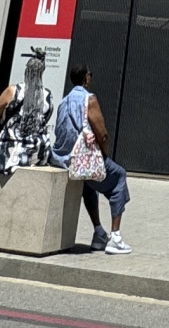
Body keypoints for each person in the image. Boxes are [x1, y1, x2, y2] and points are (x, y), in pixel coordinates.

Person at [52, 64, 131, 255]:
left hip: (64, 159)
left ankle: (98, 232)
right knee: (119, 176)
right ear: (86, 78)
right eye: (90, 74)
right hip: (82, 159)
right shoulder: (90, 99)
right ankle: (116, 237)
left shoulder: (64, 101)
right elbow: (102, 134)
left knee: (88, 184)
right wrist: (103, 155)